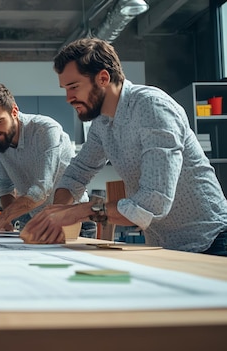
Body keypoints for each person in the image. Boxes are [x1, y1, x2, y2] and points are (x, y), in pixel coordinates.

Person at [21, 38, 227, 256]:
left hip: (212, 241)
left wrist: (76, 212)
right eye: (65, 89)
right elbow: (76, 174)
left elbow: (154, 202)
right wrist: (57, 214)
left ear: (103, 78)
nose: (68, 98)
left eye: (73, 87)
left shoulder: (153, 107)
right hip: (166, 246)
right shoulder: (102, 123)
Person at [0, 83, 77, 237]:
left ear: (14, 111)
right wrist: (7, 222)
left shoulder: (46, 131)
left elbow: (41, 190)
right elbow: (4, 186)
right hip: (36, 222)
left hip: (73, 221)